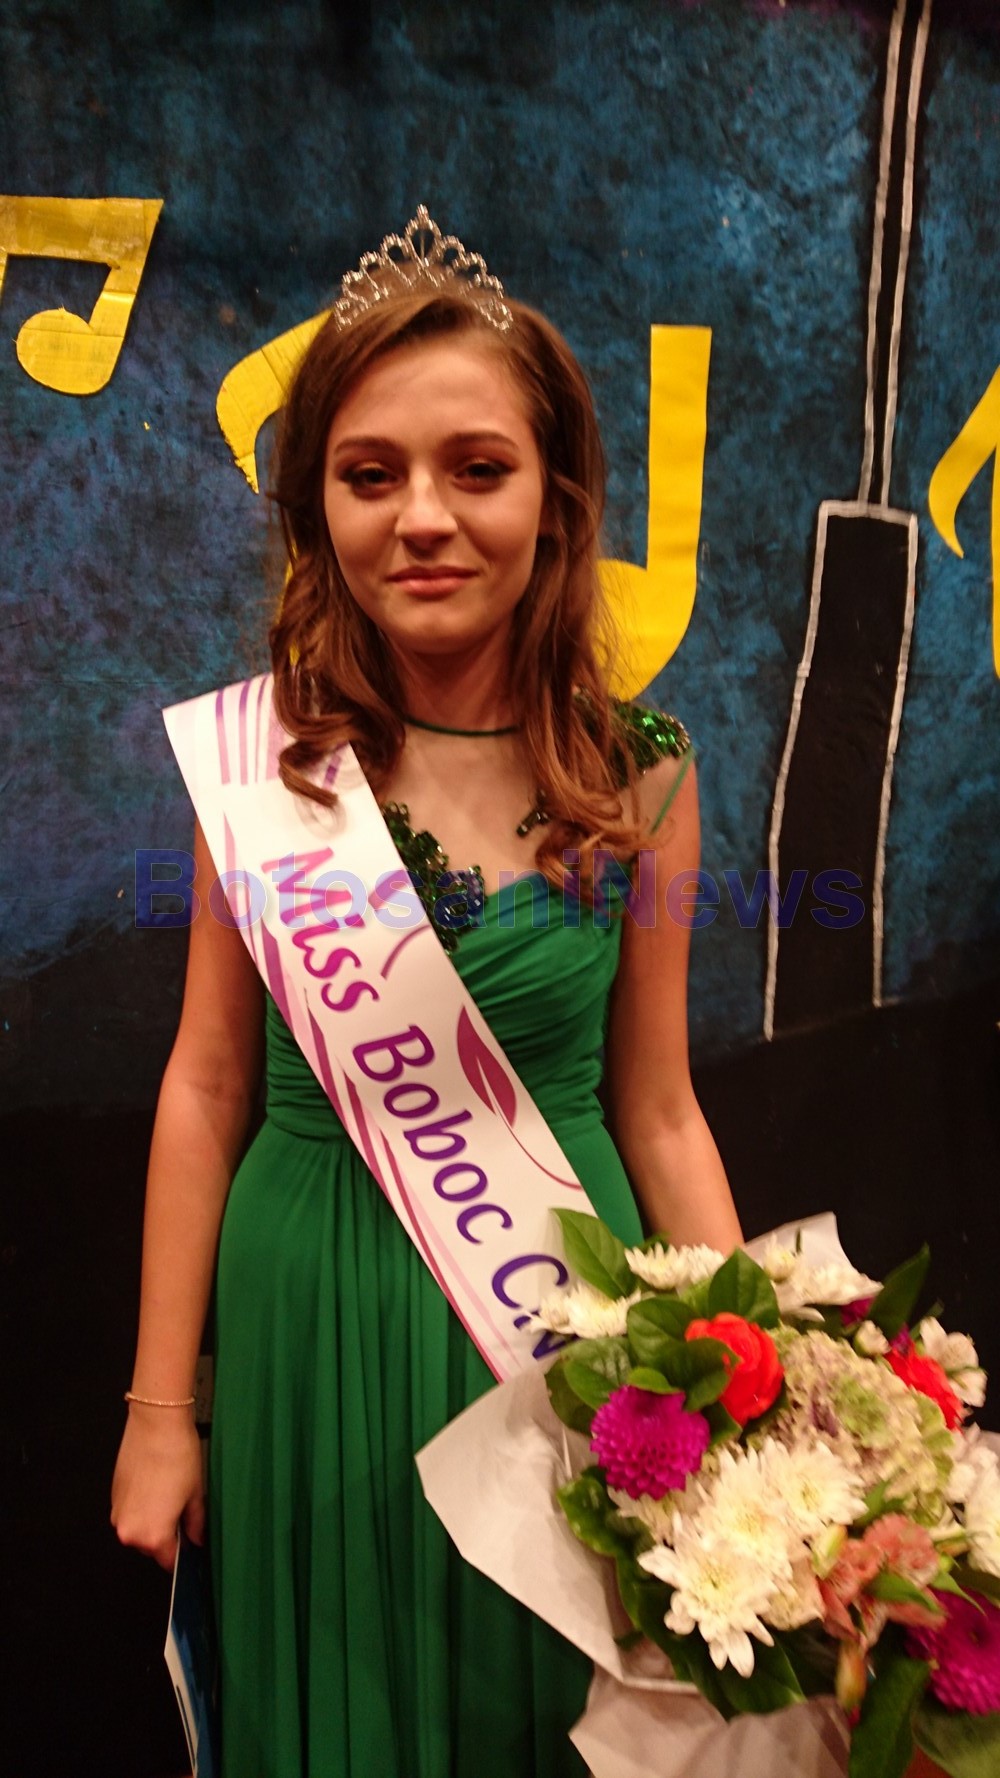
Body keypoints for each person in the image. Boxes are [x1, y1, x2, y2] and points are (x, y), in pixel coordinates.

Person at [111, 210, 742, 1777]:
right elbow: (206, 1083)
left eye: (478, 468)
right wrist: (160, 1408)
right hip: (301, 1315)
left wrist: (757, 1369)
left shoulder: (643, 781)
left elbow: (662, 1108)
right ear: (316, 505)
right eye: (369, 473)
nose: (424, 518)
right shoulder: (262, 768)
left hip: (552, 1322)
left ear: (557, 496)